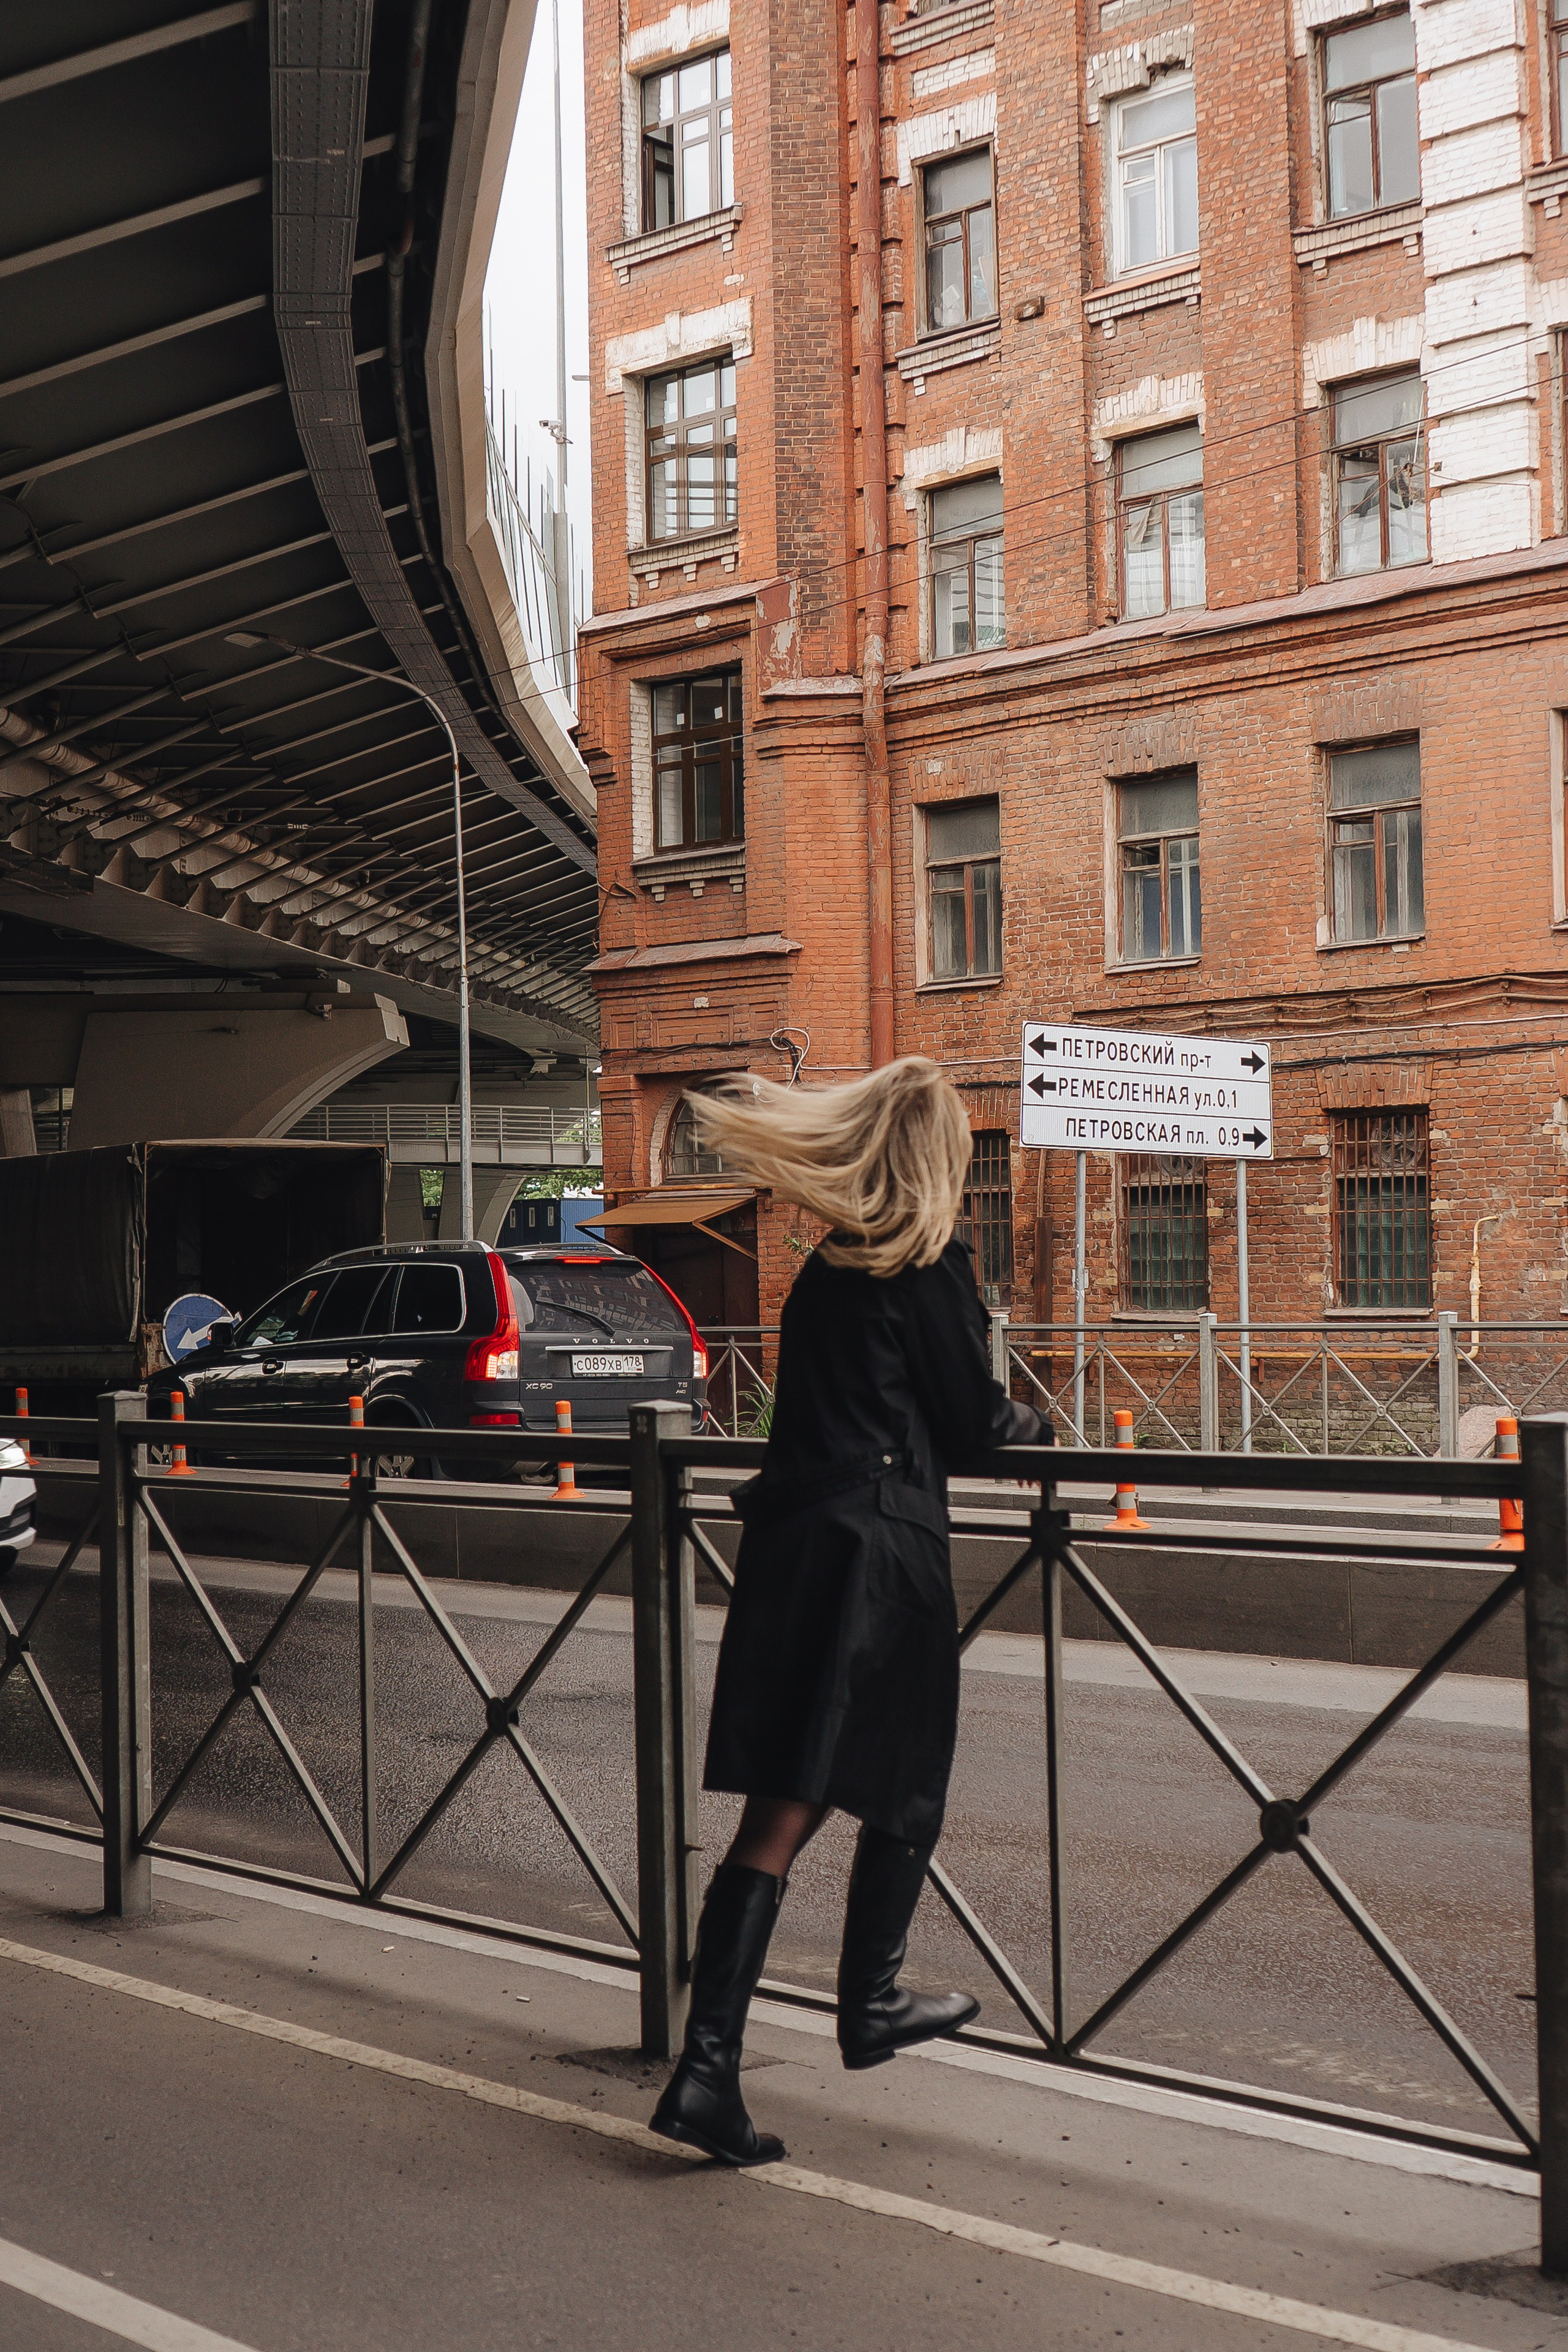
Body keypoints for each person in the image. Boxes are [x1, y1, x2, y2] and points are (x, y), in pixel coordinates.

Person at [649, 1056, 1049, 2166]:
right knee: (909, 1776)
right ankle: (867, 2002)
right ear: (937, 1160)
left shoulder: (826, 1272)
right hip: (882, 1556)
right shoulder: (929, 1265)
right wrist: (1034, 1429)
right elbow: (971, 1427)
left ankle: (706, 2073)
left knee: (783, 1810)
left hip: (799, 1549)